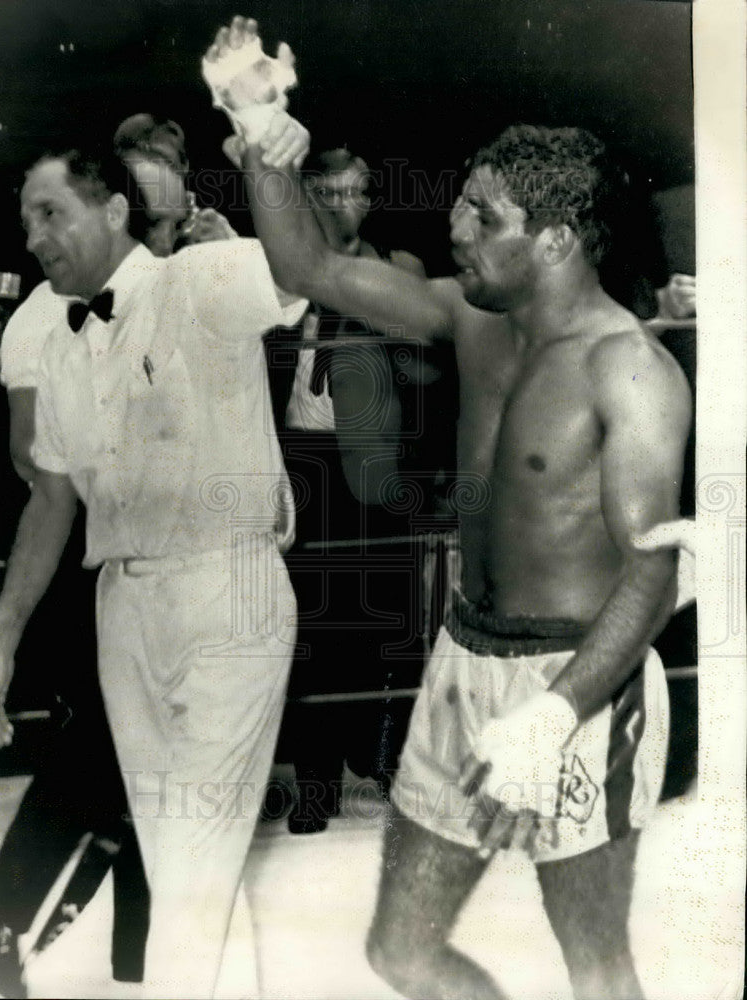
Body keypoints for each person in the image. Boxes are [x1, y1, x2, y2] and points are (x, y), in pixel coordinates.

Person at [205, 18, 691, 999]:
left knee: (594, 967)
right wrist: (259, 128)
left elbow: (654, 565)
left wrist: (553, 715)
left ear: (552, 237)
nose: (453, 227)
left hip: (581, 684)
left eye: (482, 214)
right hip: (466, 656)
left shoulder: (627, 367)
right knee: (401, 950)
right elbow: (310, 272)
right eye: (461, 206)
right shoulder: (470, 318)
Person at [0, 125, 308, 1000]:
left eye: (53, 213)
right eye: (25, 219)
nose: (34, 237)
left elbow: (301, 273)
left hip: (226, 592)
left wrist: (265, 150)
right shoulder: (65, 344)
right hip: (125, 606)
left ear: (116, 211)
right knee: (169, 852)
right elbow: (52, 497)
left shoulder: (196, 279)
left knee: (196, 867)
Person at [0, 131, 194, 999]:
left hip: (187, 583)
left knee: (139, 778)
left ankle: (132, 968)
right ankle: (19, 911)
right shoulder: (44, 318)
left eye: (174, 229)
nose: (165, 247)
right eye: (160, 227)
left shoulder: (187, 297)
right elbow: (40, 470)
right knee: (108, 762)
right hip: (91, 569)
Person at [267, 146, 433, 834]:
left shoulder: (398, 271)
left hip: (373, 466)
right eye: (326, 194)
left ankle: (385, 760)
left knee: (383, 624)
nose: (341, 206)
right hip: (297, 462)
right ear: (306, 200)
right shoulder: (273, 270)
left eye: (354, 193)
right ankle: (315, 783)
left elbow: (428, 379)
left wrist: (385, 323)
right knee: (307, 629)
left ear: (370, 200)